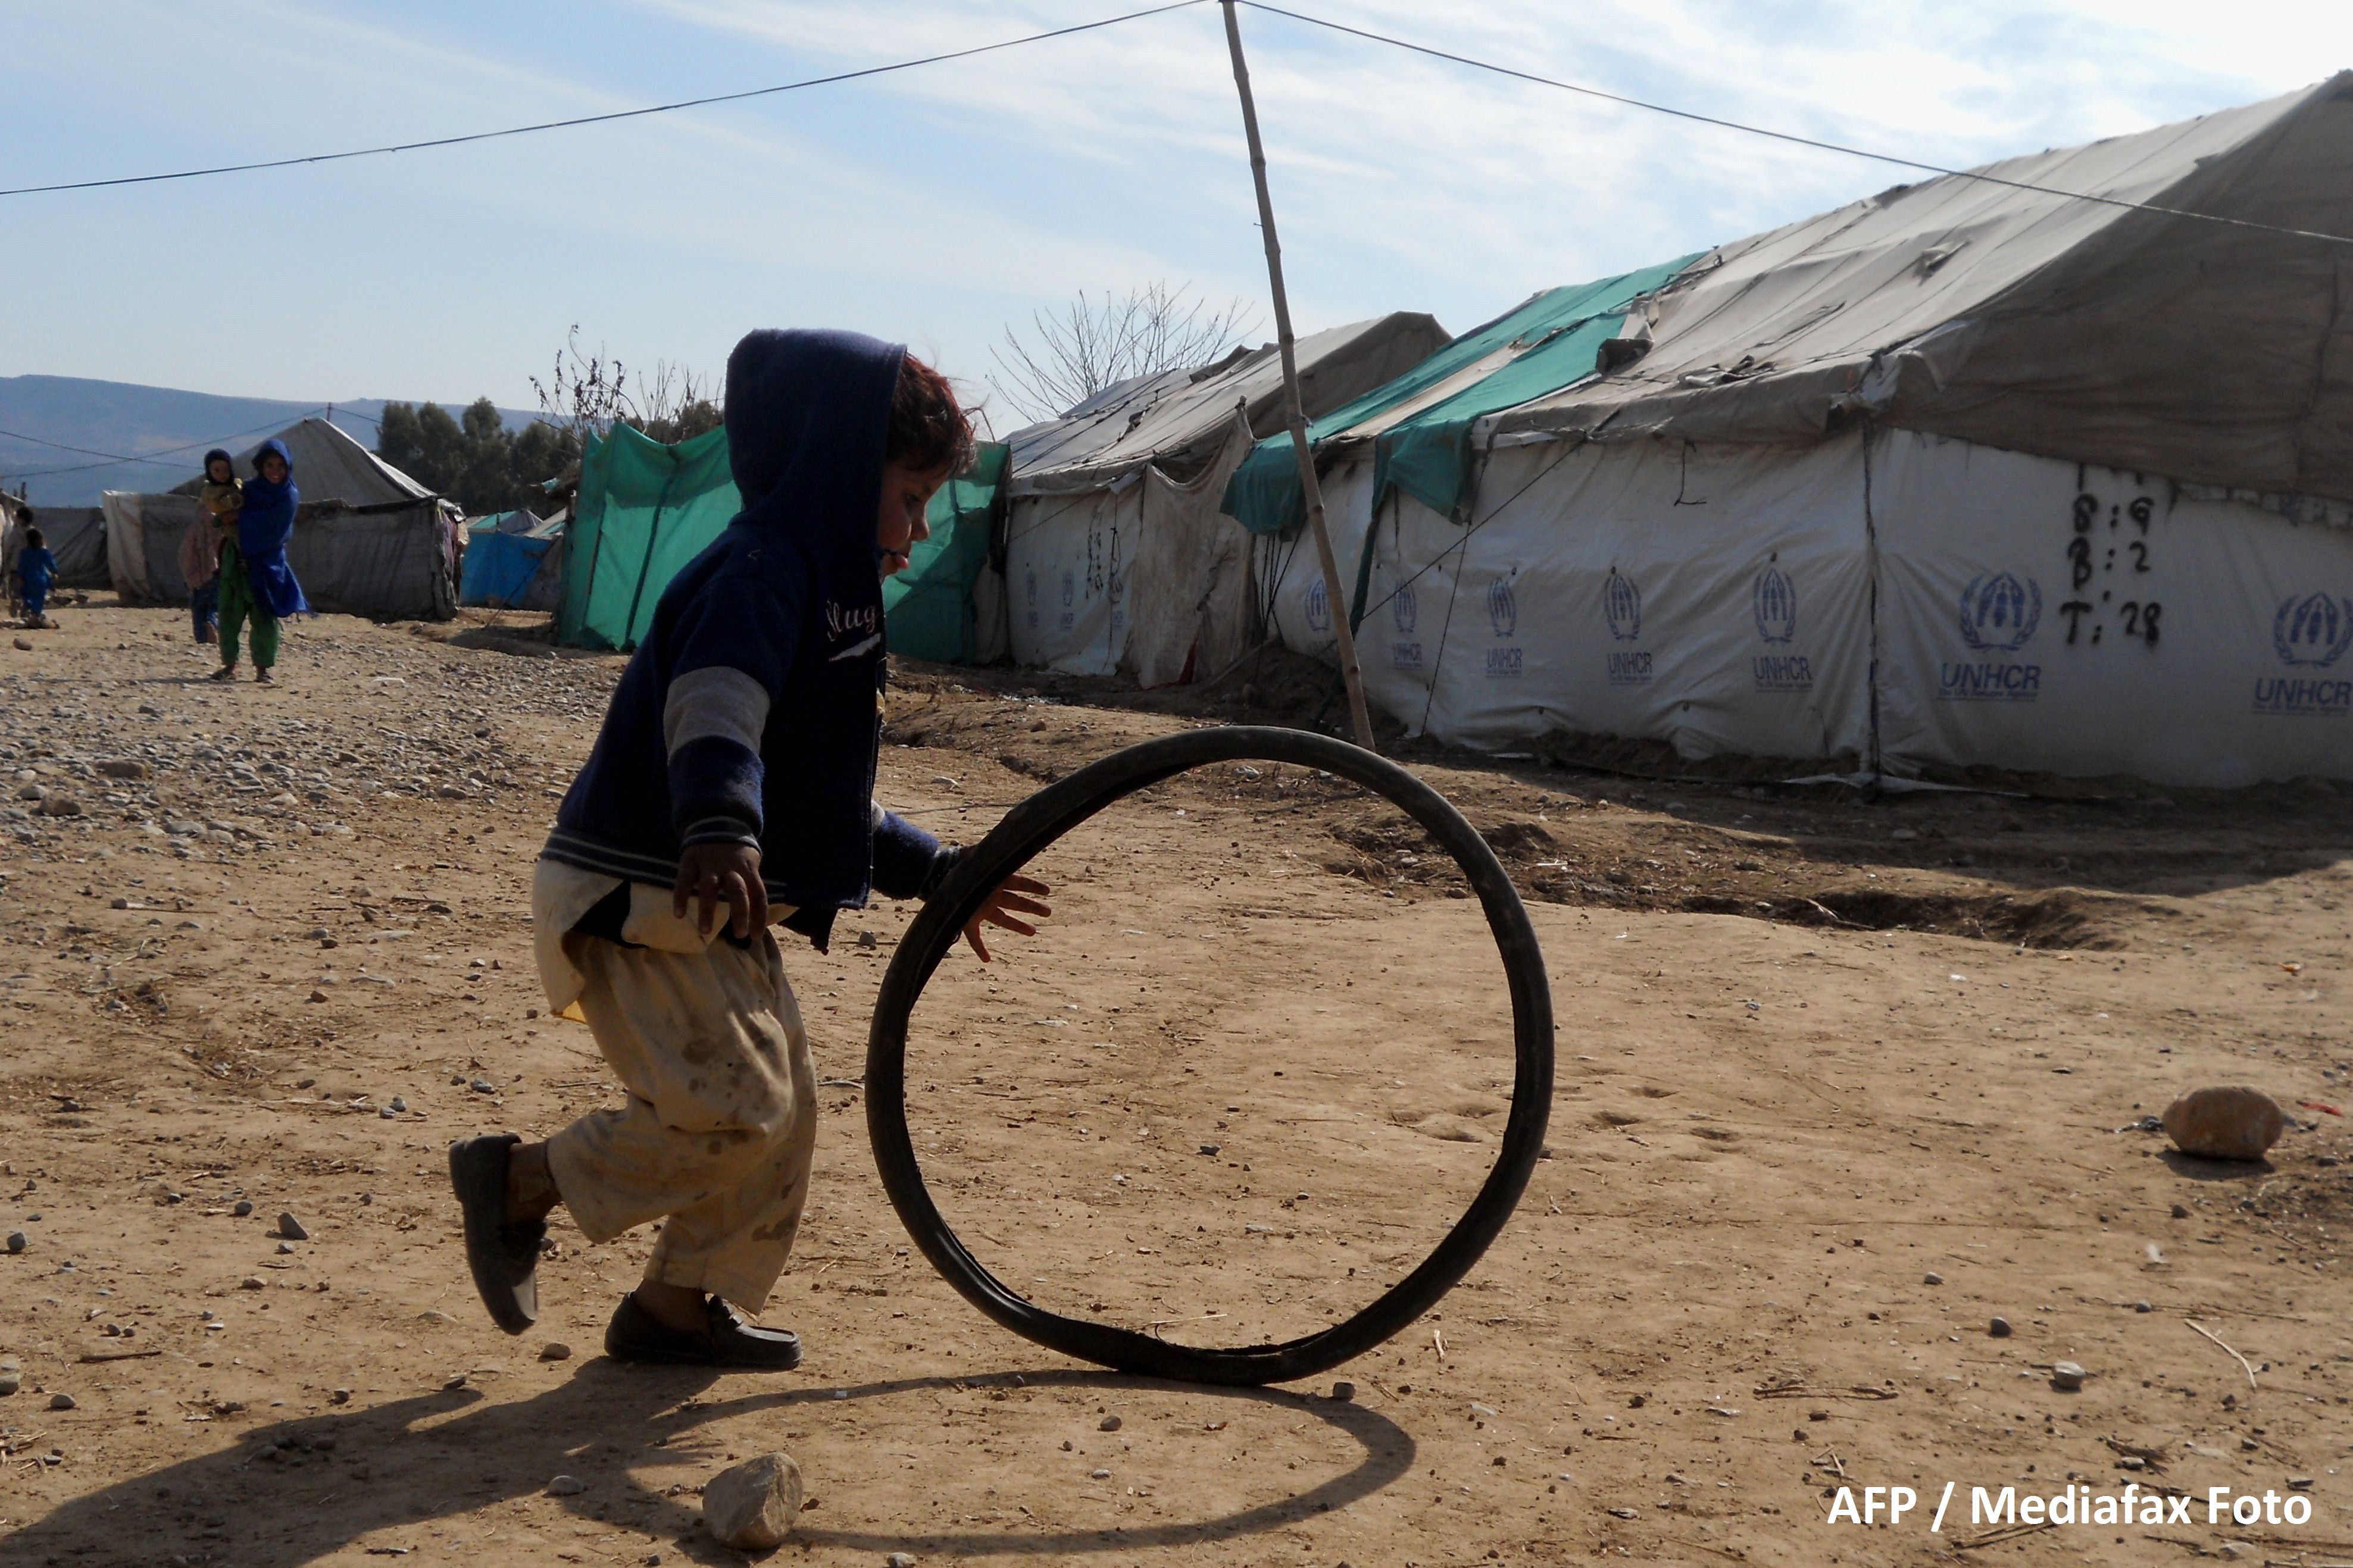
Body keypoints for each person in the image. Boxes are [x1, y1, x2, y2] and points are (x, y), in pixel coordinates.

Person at [448, 330, 1049, 1369]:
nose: (913, 536)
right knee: (738, 1109)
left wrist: (939, 873)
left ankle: (676, 1308)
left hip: (712, 900)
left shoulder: (830, 594)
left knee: (785, 1113)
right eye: (907, 499)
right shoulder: (762, 573)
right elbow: (716, 706)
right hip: (640, 893)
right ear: (837, 473)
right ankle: (517, 1183)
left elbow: (817, 806)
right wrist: (721, 822)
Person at [213, 439, 309, 683]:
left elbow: (272, 526)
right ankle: (229, 665)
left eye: (280, 466)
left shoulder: (288, 496)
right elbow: (221, 514)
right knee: (229, 614)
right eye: (270, 466)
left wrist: (239, 517)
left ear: (288, 467)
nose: (275, 472)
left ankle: (262, 668)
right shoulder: (248, 490)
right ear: (261, 466)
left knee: (264, 617)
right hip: (235, 560)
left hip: (266, 564)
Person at [184, 447, 240, 644]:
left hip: (206, 561)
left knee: (203, 600)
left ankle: (204, 636)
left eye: (225, 469)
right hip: (215, 559)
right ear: (209, 472)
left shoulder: (232, 490)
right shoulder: (213, 496)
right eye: (216, 470)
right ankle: (210, 628)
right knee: (214, 600)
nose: (222, 474)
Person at [14, 526, 57, 628]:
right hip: (40, 579)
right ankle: (35, 615)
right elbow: (50, 563)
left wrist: (19, 576)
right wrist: (54, 572)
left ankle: (26, 606)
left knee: (26, 595)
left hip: (27, 578)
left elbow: (22, 565)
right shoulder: (43, 552)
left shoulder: (25, 552)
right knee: (38, 598)